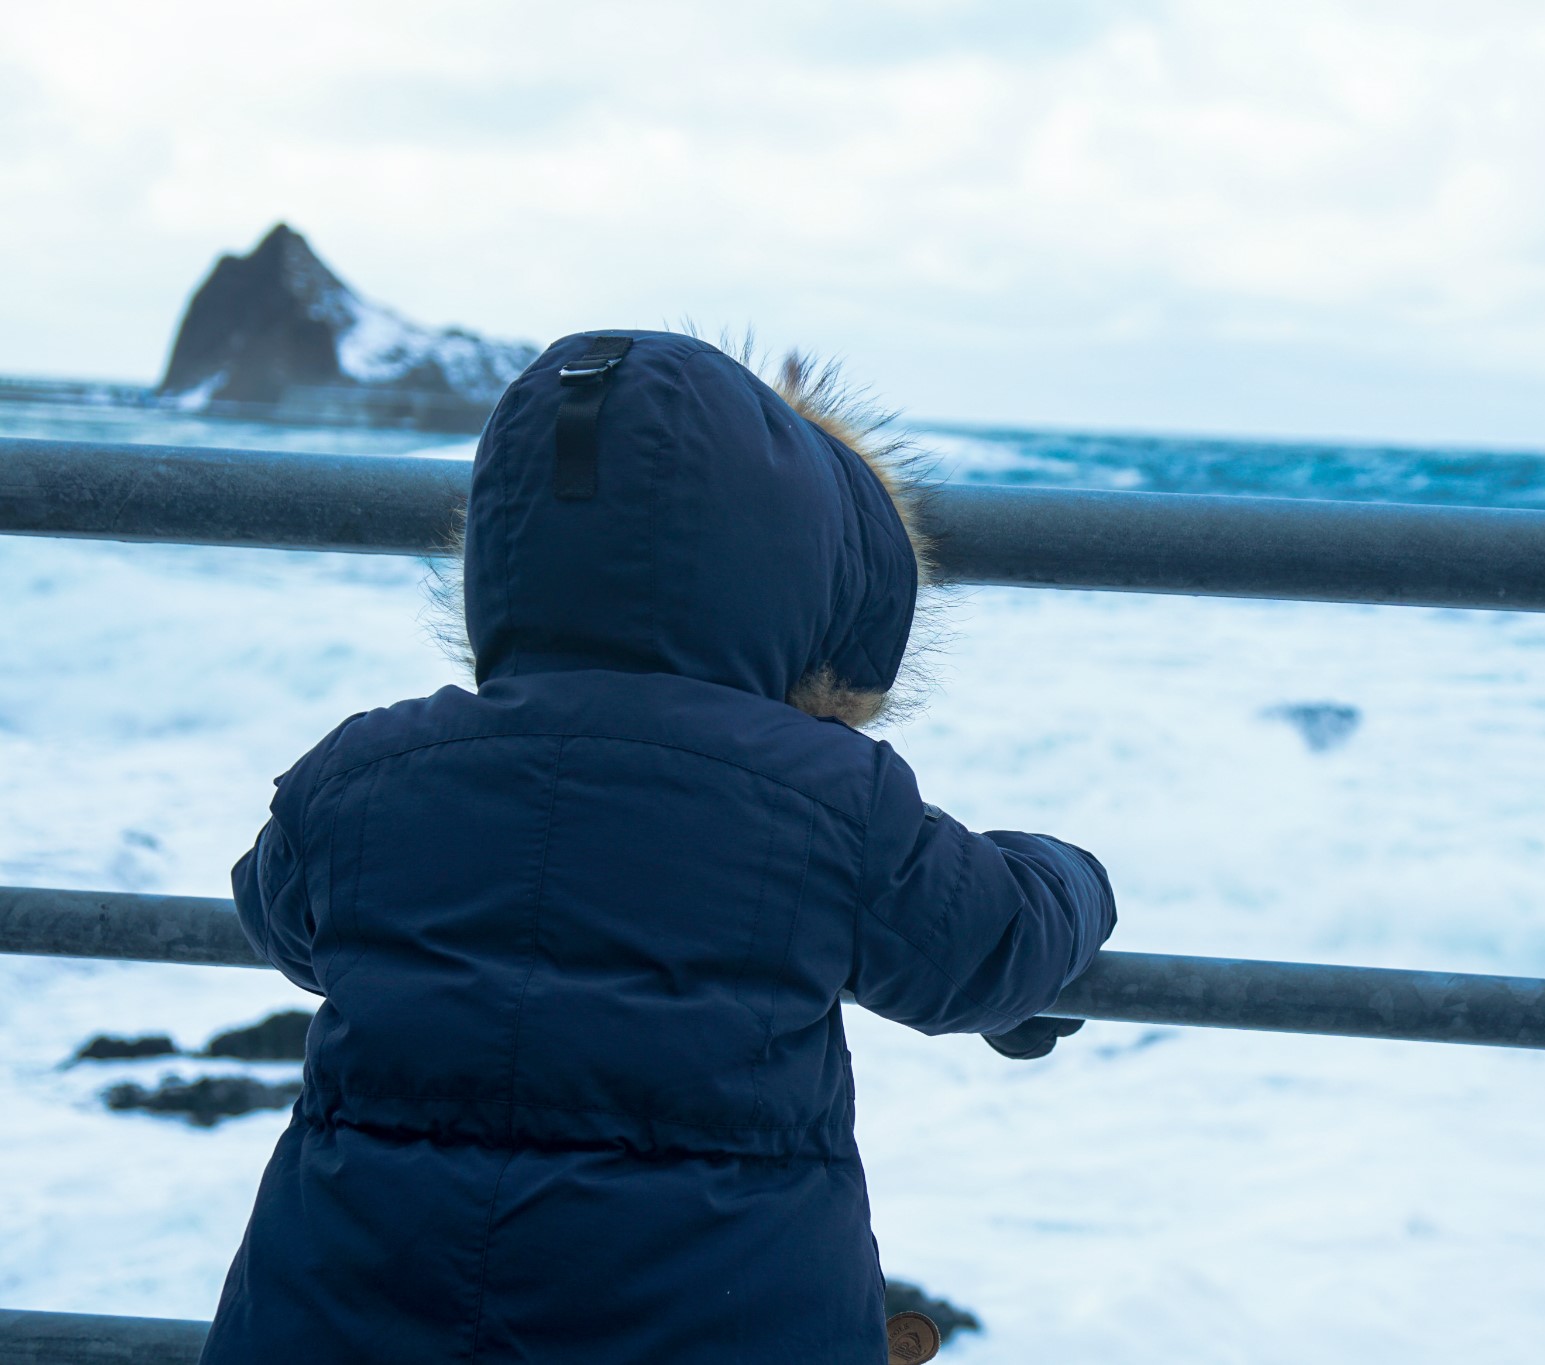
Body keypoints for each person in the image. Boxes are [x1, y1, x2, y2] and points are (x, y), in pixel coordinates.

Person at [200, 331, 1117, 1363]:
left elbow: (278, 915)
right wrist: (1072, 877)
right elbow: (987, 950)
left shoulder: (366, 771)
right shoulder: (820, 800)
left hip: (339, 1321)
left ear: (501, 553)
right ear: (799, 574)